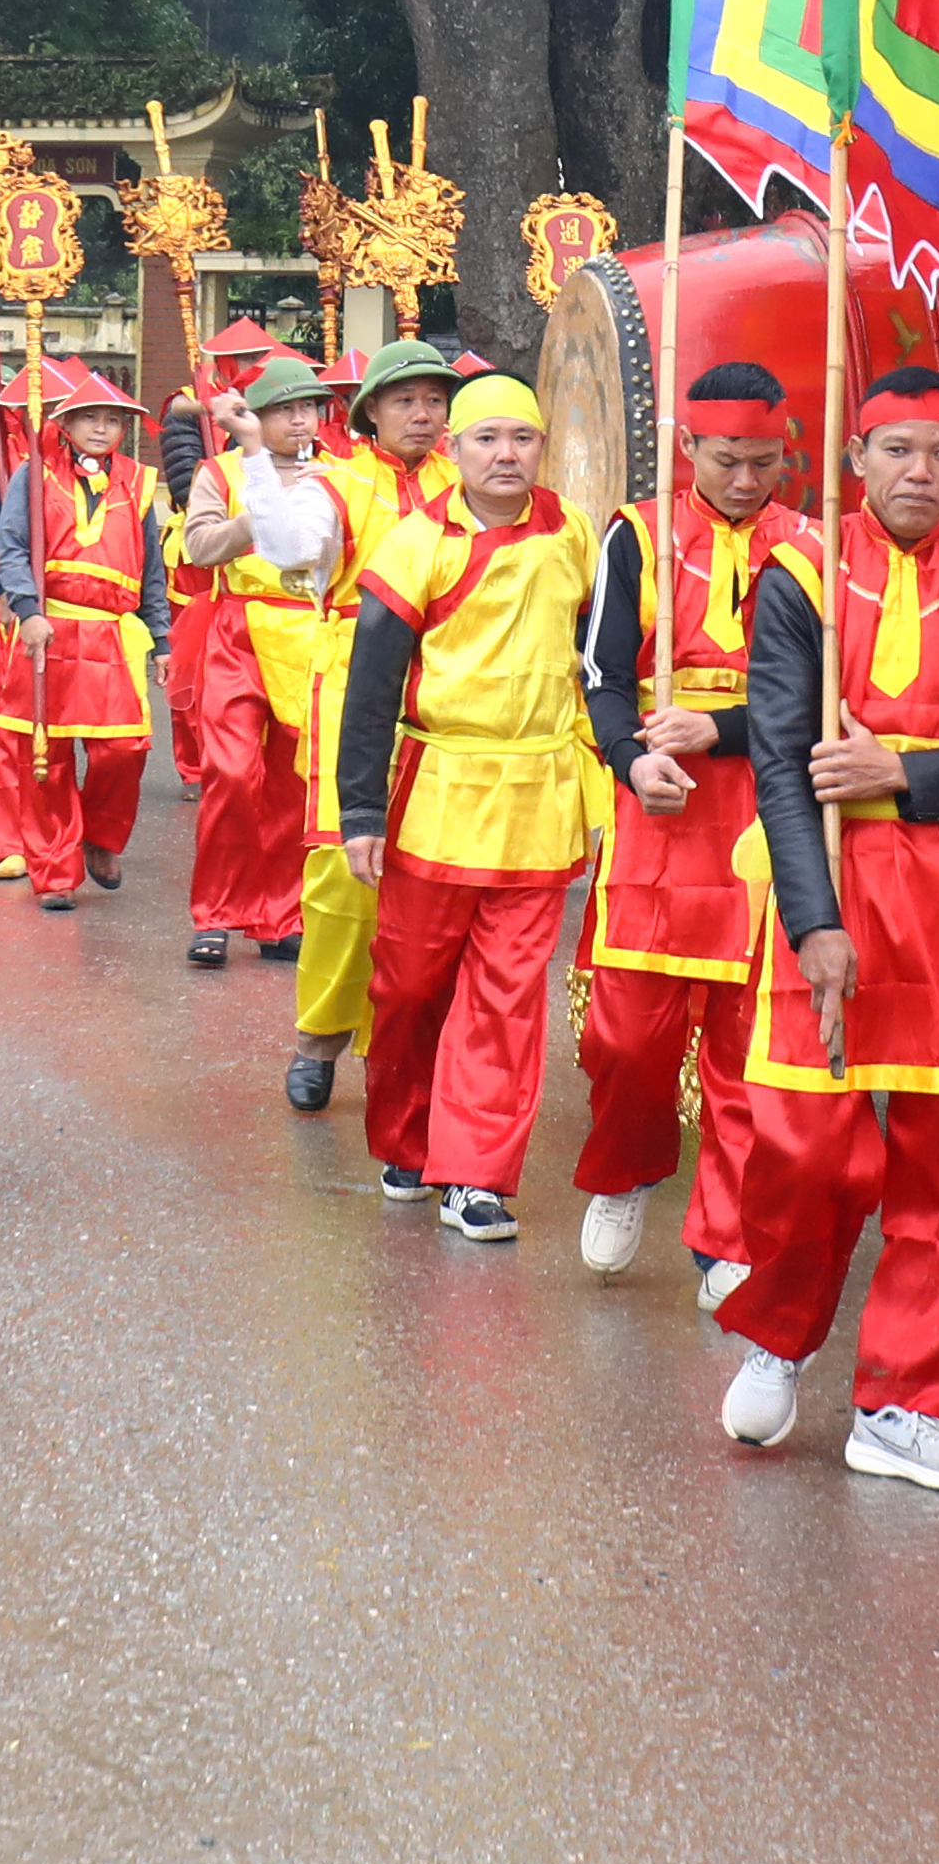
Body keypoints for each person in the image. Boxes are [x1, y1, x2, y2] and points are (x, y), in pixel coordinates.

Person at [726, 362, 939, 1479]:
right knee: (808, 1150)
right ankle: (778, 1334)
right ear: (855, 461)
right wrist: (812, 922)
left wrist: (907, 770)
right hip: (829, 884)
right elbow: (779, 758)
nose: (920, 472)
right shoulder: (799, 572)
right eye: (899, 450)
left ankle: (906, 1403)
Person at [328, 368, 607, 1243]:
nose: (506, 455)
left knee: (508, 995)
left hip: (537, 797)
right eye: (486, 439)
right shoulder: (417, 541)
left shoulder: (575, 536)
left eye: (522, 439)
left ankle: (475, 1174)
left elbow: (602, 662)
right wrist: (361, 810)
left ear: (542, 450)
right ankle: (408, 1140)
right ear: (453, 451)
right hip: (437, 794)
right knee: (410, 987)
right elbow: (371, 685)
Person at [575, 359, 805, 1278]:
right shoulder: (636, 533)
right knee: (630, 1035)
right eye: (725, 461)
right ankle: (623, 1175)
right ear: (687, 448)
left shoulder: (814, 546)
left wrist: (726, 728)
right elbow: (599, 672)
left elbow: (822, 693)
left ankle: (726, 1236)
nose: (745, 481)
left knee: (753, 1040)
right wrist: (631, 760)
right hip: (660, 804)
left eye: (763, 463)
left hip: (768, 801)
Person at [284, 342, 468, 1094]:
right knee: (343, 878)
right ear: (371, 414)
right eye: (406, 401)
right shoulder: (335, 482)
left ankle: (415, 1047)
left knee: (440, 875)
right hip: (355, 683)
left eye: (434, 400)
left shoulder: (473, 476)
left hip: (452, 685)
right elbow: (300, 550)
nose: (424, 415)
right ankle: (319, 1037)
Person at [174, 356, 350, 976]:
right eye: (285, 409)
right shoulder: (219, 471)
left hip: (308, 631)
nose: (301, 420)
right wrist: (267, 512)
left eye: (309, 408)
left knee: (290, 782)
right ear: (257, 416)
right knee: (228, 771)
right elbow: (198, 547)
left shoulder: (340, 474)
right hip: (238, 631)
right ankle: (215, 915)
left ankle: (281, 916)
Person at [0, 368, 165, 904]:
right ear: (65, 423)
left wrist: (161, 638)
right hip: (48, 628)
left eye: (112, 420)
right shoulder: (35, 473)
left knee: (124, 750)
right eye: (90, 417)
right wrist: (27, 609)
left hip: (112, 633)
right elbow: (13, 545)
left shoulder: (138, 483)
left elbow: (153, 569)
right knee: (45, 758)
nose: (101, 428)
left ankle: (101, 837)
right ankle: (53, 873)